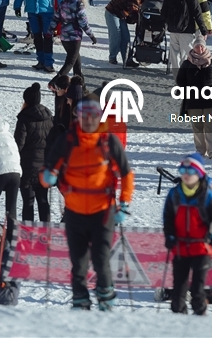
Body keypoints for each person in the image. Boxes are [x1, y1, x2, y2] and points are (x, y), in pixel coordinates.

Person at [43, 99, 134, 310]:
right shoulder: (67, 140)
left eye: (93, 116)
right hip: (74, 212)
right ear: (79, 117)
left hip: (102, 212)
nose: (89, 120)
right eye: (85, 116)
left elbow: (126, 173)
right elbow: (50, 167)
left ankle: (105, 298)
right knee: (79, 263)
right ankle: (80, 302)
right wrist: (48, 176)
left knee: (101, 259)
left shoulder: (108, 141)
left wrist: (124, 202)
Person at [164, 152, 212, 316]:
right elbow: (168, 218)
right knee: (178, 291)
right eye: (183, 171)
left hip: (201, 247)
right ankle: (179, 320)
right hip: (180, 247)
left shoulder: (208, 195)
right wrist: (169, 236)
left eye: (191, 171)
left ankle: (199, 321)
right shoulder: (174, 194)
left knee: (197, 291)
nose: (186, 175)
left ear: (199, 173)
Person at [175, 36, 212, 160]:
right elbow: (180, 80)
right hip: (193, 101)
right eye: (197, 46)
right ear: (194, 47)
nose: (200, 48)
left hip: (210, 101)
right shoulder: (187, 63)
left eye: (202, 46)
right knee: (197, 127)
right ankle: (200, 151)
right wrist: (187, 90)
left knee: (210, 126)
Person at [14, 83, 53, 223]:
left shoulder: (24, 118)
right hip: (45, 166)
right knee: (43, 201)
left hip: (28, 166)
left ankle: (28, 233)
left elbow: (19, 144)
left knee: (28, 202)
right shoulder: (49, 117)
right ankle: (46, 231)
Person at [162, 0, 208, 74]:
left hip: (173, 29)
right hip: (187, 30)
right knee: (188, 54)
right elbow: (197, 14)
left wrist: (164, 25)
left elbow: (164, 12)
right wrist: (203, 30)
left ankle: (177, 76)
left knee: (174, 54)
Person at [54, 0, 96, 78]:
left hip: (64, 36)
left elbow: (56, 17)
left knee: (76, 60)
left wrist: (50, 30)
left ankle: (80, 82)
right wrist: (91, 35)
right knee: (70, 62)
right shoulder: (78, 3)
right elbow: (83, 23)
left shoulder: (63, 2)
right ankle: (55, 82)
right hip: (74, 37)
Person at [104, 0, 143, 66]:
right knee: (116, 34)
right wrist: (139, 21)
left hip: (121, 14)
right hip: (112, 12)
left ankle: (128, 59)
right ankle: (112, 57)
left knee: (126, 36)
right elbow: (133, 10)